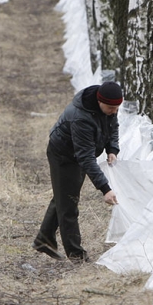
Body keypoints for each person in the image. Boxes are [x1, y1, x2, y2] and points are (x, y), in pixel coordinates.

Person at [32, 81, 122, 262]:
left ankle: (44, 239)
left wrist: (112, 148)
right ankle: (76, 254)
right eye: (111, 107)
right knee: (69, 204)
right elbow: (86, 158)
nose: (114, 111)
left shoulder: (108, 107)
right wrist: (105, 188)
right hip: (64, 156)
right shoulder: (81, 117)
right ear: (99, 102)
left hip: (78, 154)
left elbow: (112, 127)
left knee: (64, 197)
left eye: (117, 108)